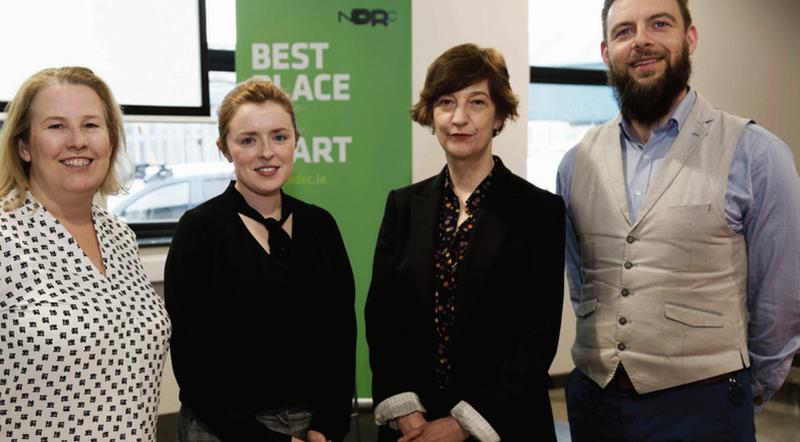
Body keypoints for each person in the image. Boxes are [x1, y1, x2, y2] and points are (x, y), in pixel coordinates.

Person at [557, 0, 800, 440]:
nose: (642, 40)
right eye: (624, 31)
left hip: (704, 408)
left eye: (660, 24)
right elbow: (583, 282)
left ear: (690, 38)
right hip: (595, 403)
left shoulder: (756, 154)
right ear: (606, 51)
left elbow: (781, 298)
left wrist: (750, 388)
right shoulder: (576, 163)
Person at [365, 43, 566, 442]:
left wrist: (463, 424)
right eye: (446, 102)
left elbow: (537, 338)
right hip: (414, 428)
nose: (459, 118)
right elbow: (383, 318)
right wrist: (407, 412)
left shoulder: (538, 211)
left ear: (499, 116)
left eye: (477, 102)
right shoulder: (403, 206)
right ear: (431, 115)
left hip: (504, 424)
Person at [164, 79, 356, 442]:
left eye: (279, 137)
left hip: (312, 428)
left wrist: (327, 427)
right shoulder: (199, 231)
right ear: (225, 149)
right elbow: (194, 363)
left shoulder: (320, 225)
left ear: (296, 141)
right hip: (221, 431)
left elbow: (340, 338)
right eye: (248, 140)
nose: (266, 152)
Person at [0, 66, 171, 440]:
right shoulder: (4, 236)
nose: (77, 141)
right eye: (56, 126)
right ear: (24, 146)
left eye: (91, 125)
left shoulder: (121, 237)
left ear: (110, 141)